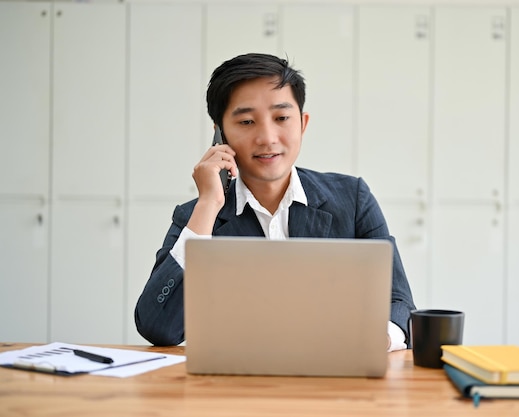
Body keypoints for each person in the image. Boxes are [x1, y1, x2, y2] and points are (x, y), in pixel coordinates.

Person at [134, 53, 415, 350]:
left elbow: (399, 303)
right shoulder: (197, 216)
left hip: (334, 385)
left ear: (303, 124)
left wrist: (376, 340)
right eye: (246, 121)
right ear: (220, 133)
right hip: (237, 387)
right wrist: (207, 206)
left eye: (281, 118)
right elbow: (157, 327)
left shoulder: (352, 198)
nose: (267, 137)